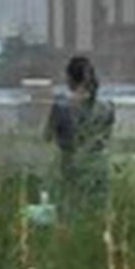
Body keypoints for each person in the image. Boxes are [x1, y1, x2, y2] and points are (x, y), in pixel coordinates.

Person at [44, 56, 115, 220]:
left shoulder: (61, 107)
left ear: (69, 80)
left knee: (71, 215)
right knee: (98, 216)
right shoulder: (108, 107)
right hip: (99, 168)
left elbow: (47, 137)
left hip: (71, 168)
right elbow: (106, 136)